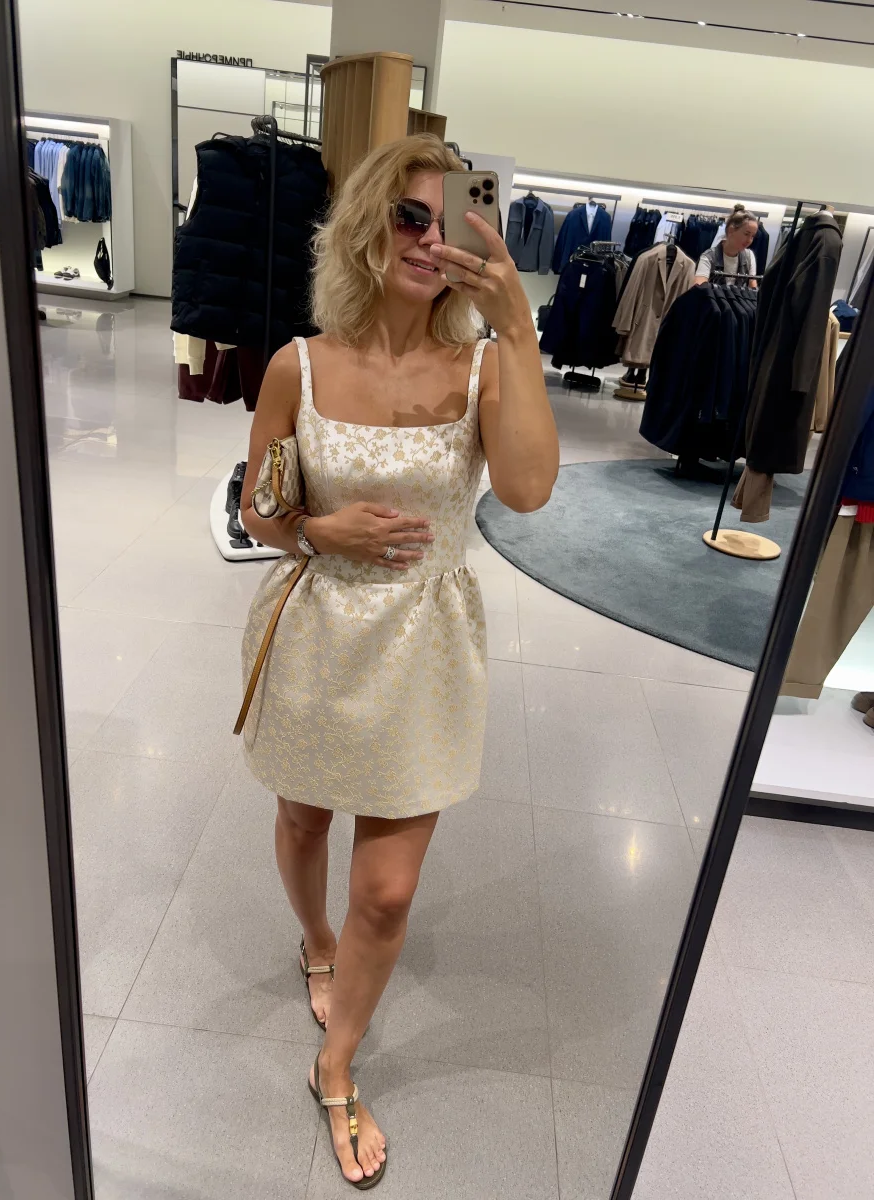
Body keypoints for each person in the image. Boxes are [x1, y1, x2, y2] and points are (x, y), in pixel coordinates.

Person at [238, 134, 558, 1190]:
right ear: (368, 227)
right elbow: (260, 509)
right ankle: (313, 939)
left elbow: (527, 490)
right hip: (318, 632)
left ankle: (335, 1067)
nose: (428, 240)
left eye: (450, 221)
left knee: (387, 891)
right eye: (409, 216)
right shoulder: (296, 365)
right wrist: (317, 531)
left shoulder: (482, 368)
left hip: (425, 648)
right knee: (301, 821)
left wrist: (517, 328)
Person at [694, 203, 759, 288]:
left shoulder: (749, 256)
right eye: (746, 234)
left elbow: (753, 287)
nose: (749, 240)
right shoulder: (708, 257)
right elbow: (699, 288)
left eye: (752, 236)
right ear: (731, 230)